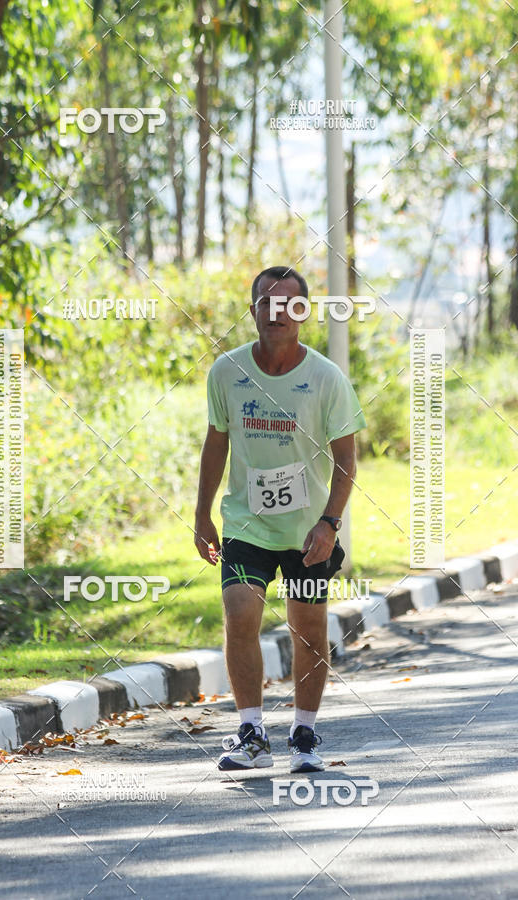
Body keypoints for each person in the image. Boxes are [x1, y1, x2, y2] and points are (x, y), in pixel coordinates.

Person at [194, 266, 367, 772]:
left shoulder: (325, 378)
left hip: (309, 532)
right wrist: (203, 514)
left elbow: (346, 461)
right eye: (266, 304)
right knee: (240, 611)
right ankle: (250, 732)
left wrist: (330, 522)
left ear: (302, 314)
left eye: (288, 304)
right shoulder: (226, 371)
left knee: (308, 626)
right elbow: (216, 443)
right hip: (247, 524)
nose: (277, 313)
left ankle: (305, 734)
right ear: (253, 312)